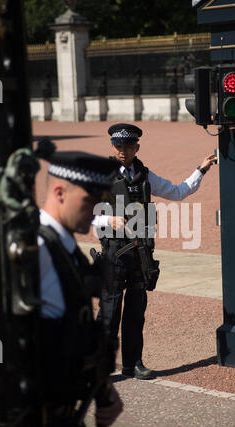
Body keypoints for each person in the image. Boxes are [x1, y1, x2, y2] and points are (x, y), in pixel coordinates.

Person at [92, 123, 217, 380]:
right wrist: (109, 221)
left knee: (136, 312)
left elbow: (179, 191)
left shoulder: (145, 176)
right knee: (109, 313)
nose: (122, 151)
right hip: (114, 253)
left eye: (128, 146)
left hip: (140, 254)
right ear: (112, 147)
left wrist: (201, 169)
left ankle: (133, 364)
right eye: (118, 146)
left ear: (137, 147)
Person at [37, 149, 123, 427]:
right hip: (36, 426)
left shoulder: (63, 245)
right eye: (90, 201)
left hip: (66, 417)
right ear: (59, 192)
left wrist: (103, 388)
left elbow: (77, 330)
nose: (96, 211)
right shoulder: (35, 251)